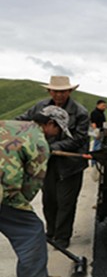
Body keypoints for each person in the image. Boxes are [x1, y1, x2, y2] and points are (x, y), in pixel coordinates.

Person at [15, 75, 90, 250]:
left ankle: (62, 237)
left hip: (70, 164)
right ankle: (51, 233)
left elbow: (79, 139)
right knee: (49, 200)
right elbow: (22, 120)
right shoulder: (40, 107)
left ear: (69, 92)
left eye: (63, 92)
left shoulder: (80, 112)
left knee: (66, 202)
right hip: (46, 164)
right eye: (55, 91)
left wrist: (51, 147)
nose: (59, 95)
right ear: (49, 91)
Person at [0, 106, 70, 277]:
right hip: (4, 191)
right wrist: (21, 205)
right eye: (59, 129)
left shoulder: (9, 124)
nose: (58, 134)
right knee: (31, 229)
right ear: (50, 123)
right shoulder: (39, 143)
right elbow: (33, 183)